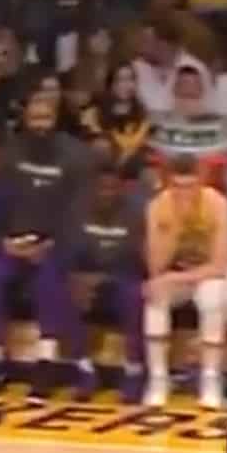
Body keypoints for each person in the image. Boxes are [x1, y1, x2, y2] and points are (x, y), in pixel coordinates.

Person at [0, 91, 90, 398]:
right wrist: (3, 242)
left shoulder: (76, 156)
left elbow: (79, 212)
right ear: (25, 119)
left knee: (48, 282)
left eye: (46, 118)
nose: (40, 125)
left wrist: (51, 245)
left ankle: (45, 362)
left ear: (56, 119)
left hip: (54, 246)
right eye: (35, 118)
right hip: (12, 244)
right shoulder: (10, 152)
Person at [143, 152, 227, 409]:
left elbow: (220, 265)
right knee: (155, 298)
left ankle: (210, 379)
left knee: (213, 298)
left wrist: (177, 277)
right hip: (175, 275)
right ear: (169, 182)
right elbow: (155, 266)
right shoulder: (158, 206)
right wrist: (175, 229)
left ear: (201, 181)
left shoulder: (217, 204)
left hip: (207, 274)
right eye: (178, 186)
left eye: (190, 186)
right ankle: (158, 379)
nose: (184, 193)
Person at [64, 162, 148, 404]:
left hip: (122, 278)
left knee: (133, 295)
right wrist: (77, 276)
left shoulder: (136, 214)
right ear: (92, 188)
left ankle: (134, 371)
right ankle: (84, 369)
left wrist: (105, 277)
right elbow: (69, 253)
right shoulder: (77, 211)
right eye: (102, 188)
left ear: (122, 189)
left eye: (113, 188)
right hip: (86, 278)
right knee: (63, 291)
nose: (107, 193)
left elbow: (137, 259)